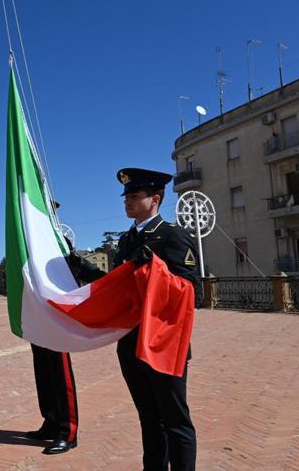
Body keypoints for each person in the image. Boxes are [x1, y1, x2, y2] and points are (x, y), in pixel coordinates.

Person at [113, 167, 198, 470]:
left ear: (155, 199)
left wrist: (155, 267)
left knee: (175, 421)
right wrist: (81, 268)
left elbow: (188, 289)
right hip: (132, 342)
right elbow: (116, 286)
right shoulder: (126, 240)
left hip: (163, 344)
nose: (127, 202)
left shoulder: (173, 235)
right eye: (126, 197)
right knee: (148, 418)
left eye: (135, 196)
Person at [25, 201, 104, 455]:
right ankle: (50, 422)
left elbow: (75, 266)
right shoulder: (28, 237)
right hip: (38, 315)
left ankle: (67, 431)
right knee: (43, 371)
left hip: (57, 316)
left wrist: (103, 281)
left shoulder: (57, 240)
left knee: (60, 373)